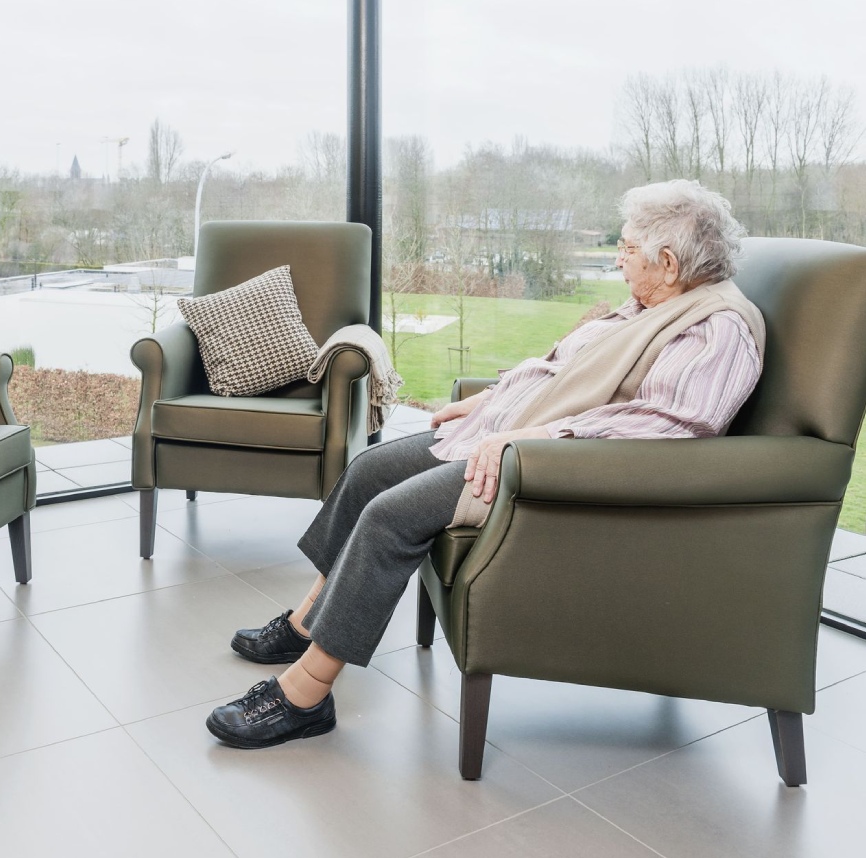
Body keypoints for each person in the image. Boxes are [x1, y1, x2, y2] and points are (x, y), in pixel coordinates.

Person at [205, 179, 767, 749]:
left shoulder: (715, 328)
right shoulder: (652, 305)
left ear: (668, 263)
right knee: (367, 472)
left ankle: (305, 695)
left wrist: (536, 433)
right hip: (506, 435)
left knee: (389, 517)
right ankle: (309, 622)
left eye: (625, 249)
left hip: (545, 466)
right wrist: (491, 399)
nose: (618, 262)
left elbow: (673, 424)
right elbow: (562, 372)